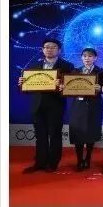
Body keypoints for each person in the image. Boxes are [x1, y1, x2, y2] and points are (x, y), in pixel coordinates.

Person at [20, 38, 73, 173]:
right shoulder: (34, 66)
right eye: (47, 47)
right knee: (40, 135)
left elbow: (71, 87)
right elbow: (28, 88)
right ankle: (39, 162)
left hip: (56, 105)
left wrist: (62, 85)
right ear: (42, 50)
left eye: (53, 47)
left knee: (55, 135)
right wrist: (22, 84)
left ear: (59, 50)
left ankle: (53, 163)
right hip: (37, 105)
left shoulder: (67, 66)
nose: (49, 49)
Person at [67, 47, 103, 171]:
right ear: (81, 58)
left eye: (90, 56)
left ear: (95, 58)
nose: (87, 58)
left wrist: (101, 88)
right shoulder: (75, 71)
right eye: (84, 56)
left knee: (91, 132)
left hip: (94, 105)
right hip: (78, 106)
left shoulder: (101, 72)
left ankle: (88, 158)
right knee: (77, 133)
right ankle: (79, 160)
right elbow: (69, 88)